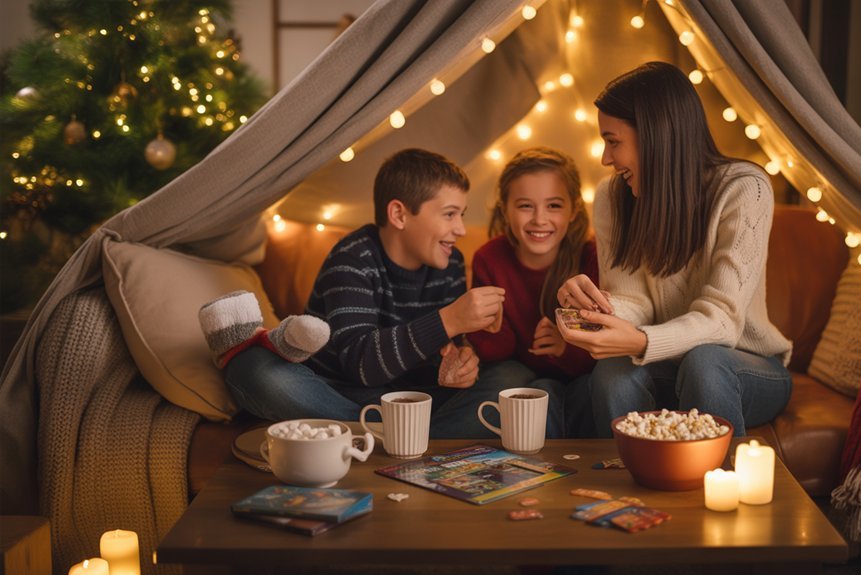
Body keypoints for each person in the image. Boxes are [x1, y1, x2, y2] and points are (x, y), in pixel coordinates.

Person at [200, 148, 548, 438]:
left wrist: (459, 361)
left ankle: (377, 433)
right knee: (255, 370)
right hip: (338, 391)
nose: (459, 229)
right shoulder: (352, 260)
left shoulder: (450, 261)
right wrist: (449, 319)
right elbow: (361, 366)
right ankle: (407, 435)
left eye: (462, 215)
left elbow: (442, 351)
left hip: (415, 400)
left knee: (512, 377)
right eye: (449, 214)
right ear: (399, 214)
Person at [554, 62, 793, 438]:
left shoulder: (745, 189)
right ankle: (621, 490)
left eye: (613, 141)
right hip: (666, 362)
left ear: (655, 134)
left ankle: (719, 491)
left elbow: (723, 321)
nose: (605, 158)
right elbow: (636, 302)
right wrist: (596, 308)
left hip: (744, 365)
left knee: (706, 362)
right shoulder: (612, 197)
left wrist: (643, 340)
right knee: (613, 371)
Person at [466, 147, 599, 437]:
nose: (539, 219)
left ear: (574, 209)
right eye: (525, 206)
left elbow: (605, 348)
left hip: (581, 375)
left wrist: (567, 348)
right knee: (513, 380)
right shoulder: (489, 258)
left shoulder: (591, 258)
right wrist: (491, 329)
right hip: (518, 375)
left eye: (553, 206)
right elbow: (495, 354)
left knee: (588, 388)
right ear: (505, 209)